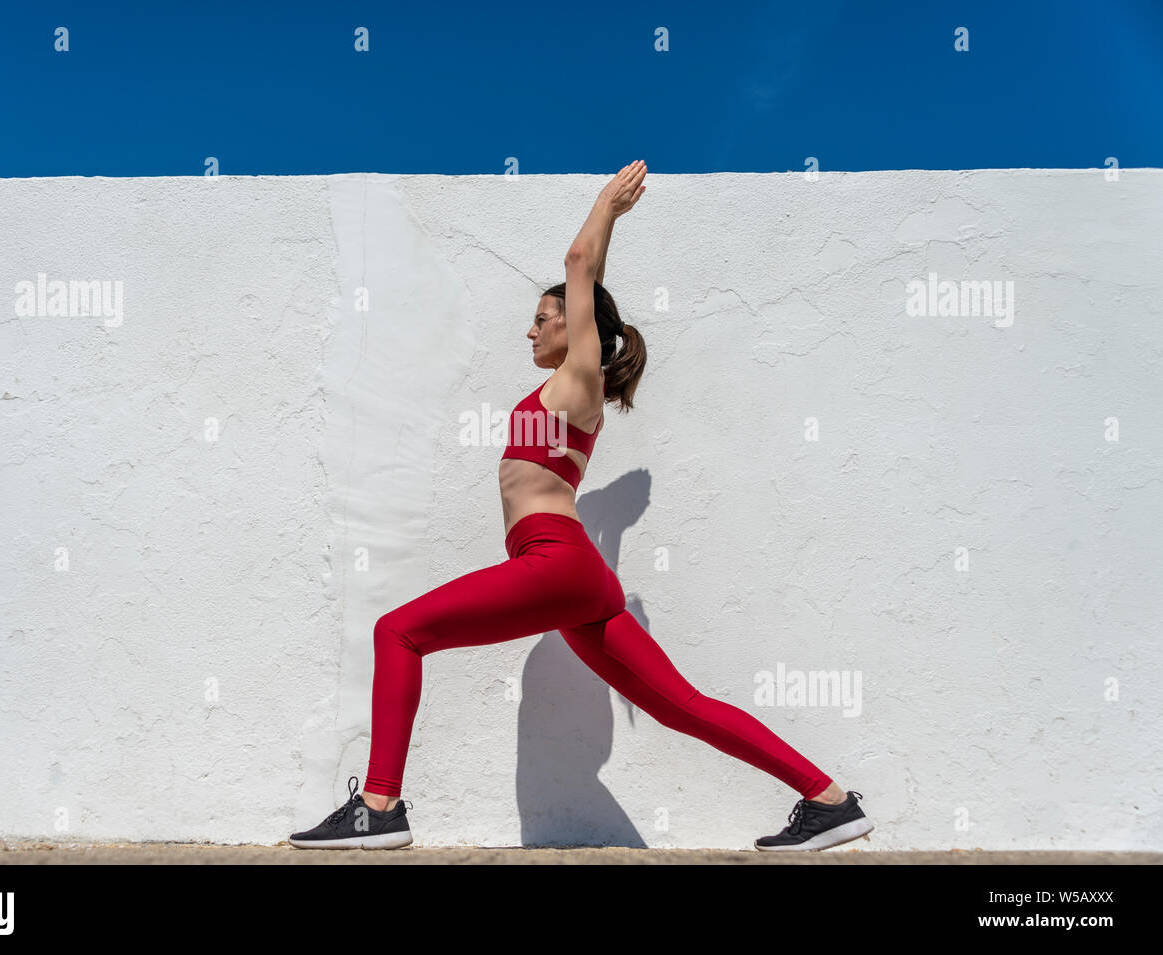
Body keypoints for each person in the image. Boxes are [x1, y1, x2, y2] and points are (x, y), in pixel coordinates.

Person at [288, 160, 874, 852]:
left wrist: (607, 206)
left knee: (398, 631)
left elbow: (577, 260)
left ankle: (380, 806)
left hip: (556, 560)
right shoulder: (562, 393)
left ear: (577, 323)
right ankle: (828, 797)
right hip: (580, 578)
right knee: (682, 706)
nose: (529, 332)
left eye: (542, 319)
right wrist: (616, 521)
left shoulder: (579, 376)